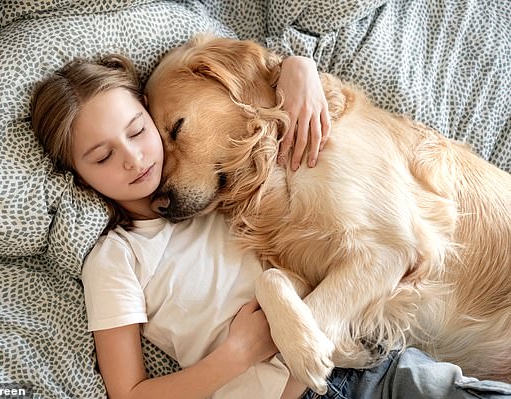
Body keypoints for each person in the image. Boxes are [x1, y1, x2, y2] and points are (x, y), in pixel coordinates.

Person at [30, 53, 511, 399]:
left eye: (147, 131)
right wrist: (243, 352)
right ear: (78, 176)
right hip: (347, 372)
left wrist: (294, 68)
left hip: (377, 364)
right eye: (102, 156)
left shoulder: (244, 185)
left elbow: (391, 252)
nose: (139, 159)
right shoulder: (122, 253)